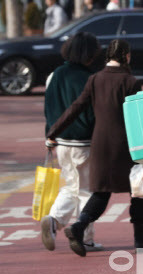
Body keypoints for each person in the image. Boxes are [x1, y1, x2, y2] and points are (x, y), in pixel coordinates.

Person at [46, 39, 143, 257]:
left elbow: (76, 108)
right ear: (127, 56)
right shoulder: (131, 81)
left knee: (101, 192)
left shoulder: (95, 79)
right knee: (140, 191)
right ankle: (140, 238)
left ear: (107, 56)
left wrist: (54, 130)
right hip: (128, 146)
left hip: (100, 145)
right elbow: (136, 118)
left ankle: (79, 226)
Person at [42, 33, 100, 253]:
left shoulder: (55, 75)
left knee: (72, 186)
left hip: (61, 141)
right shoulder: (89, 78)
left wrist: (49, 136)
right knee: (87, 191)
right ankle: (84, 237)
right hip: (84, 142)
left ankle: (54, 220)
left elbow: (48, 109)